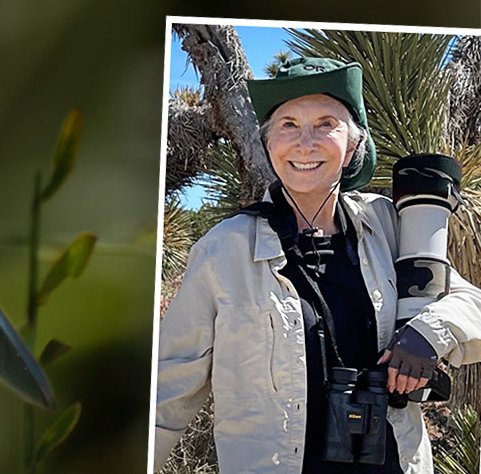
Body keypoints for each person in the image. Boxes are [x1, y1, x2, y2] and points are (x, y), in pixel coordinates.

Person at [154, 56, 481, 473]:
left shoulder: (389, 226)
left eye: (326, 123)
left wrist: (427, 333)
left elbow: (473, 305)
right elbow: (167, 390)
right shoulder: (224, 250)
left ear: (352, 147)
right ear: (269, 144)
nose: (305, 143)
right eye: (288, 124)